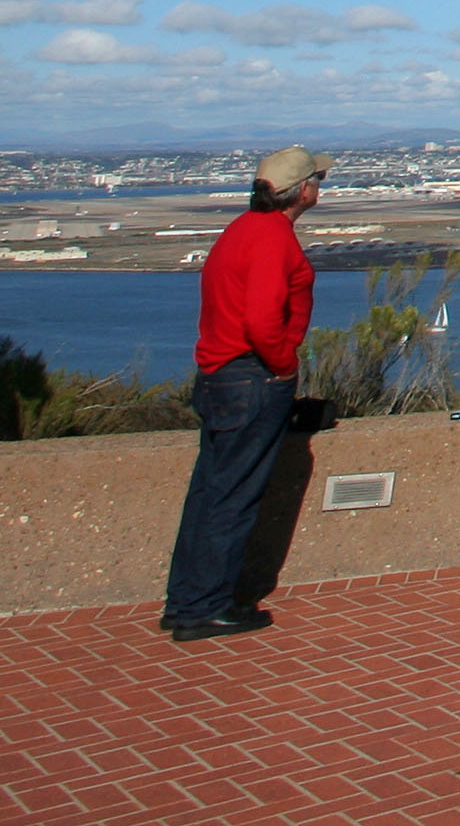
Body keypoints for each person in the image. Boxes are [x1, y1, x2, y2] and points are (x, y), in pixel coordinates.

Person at [162, 146, 328, 642]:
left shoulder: (239, 230)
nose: (319, 187)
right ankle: (206, 607)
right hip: (250, 379)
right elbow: (260, 320)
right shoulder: (273, 240)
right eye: (317, 179)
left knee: (210, 491)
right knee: (234, 497)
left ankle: (186, 599)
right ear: (302, 191)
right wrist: (283, 367)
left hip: (218, 375)